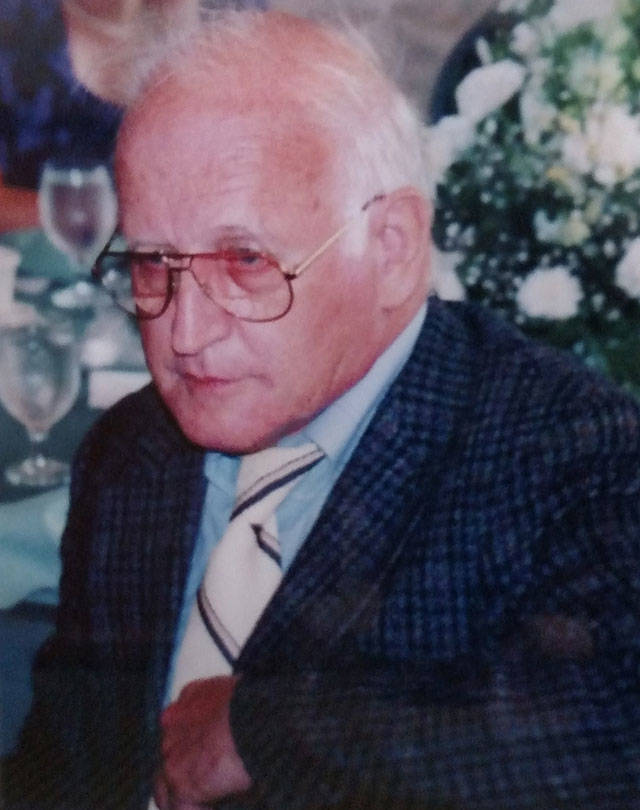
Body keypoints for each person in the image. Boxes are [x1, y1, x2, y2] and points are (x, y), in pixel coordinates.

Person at [3, 9, 640, 809]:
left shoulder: (566, 450)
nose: (184, 334)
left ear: (393, 248)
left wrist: (269, 733)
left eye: (245, 260)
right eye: (152, 261)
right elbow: (64, 768)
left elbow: (616, 728)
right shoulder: (133, 451)